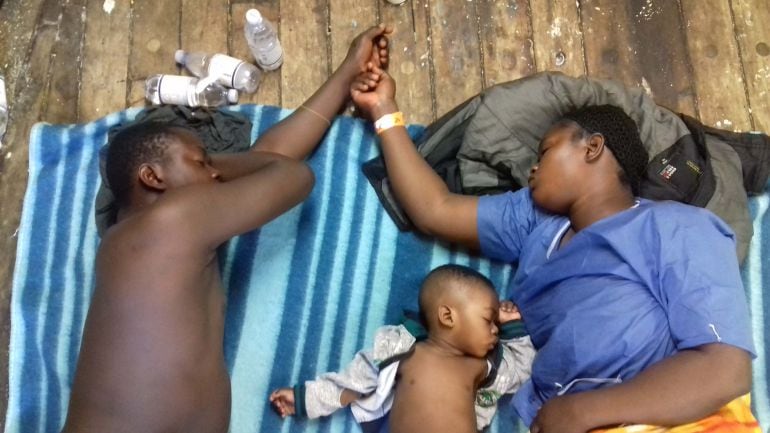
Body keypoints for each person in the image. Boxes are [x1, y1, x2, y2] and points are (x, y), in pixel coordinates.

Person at [349, 65, 758, 432]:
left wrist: (584, 411)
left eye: (544, 152)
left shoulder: (676, 228)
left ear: (592, 148)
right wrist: (385, 111)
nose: (531, 169)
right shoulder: (536, 220)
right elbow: (434, 210)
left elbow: (724, 368)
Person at [60, 25, 393, 433]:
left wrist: (346, 75)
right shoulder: (170, 220)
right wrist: (213, 165)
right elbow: (291, 177)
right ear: (152, 177)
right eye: (201, 161)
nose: (215, 170)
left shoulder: (149, 236)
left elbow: (270, 161)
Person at [269, 264, 536, 433]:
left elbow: (520, 372)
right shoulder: (401, 349)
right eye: (488, 320)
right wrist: (306, 398)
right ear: (448, 316)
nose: (494, 330)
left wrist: (513, 328)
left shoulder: (483, 366)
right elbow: (352, 384)